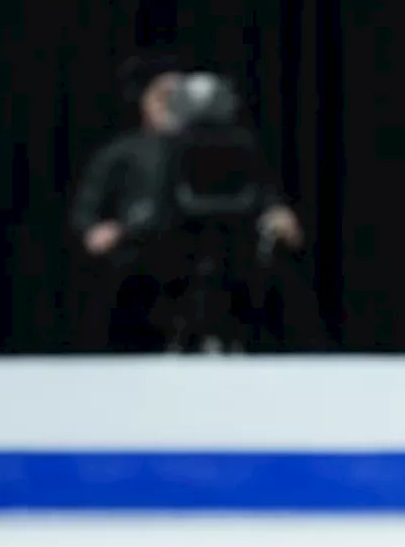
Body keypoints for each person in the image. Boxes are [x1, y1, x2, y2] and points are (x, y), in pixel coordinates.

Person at [70, 54, 304, 351]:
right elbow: (87, 209)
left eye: (178, 97)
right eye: (163, 96)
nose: (170, 105)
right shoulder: (123, 152)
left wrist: (277, 213)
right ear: (143, 100)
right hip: (145, 253)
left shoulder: (229, 147)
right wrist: (96, 230)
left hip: (223, 249)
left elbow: (259, 191)